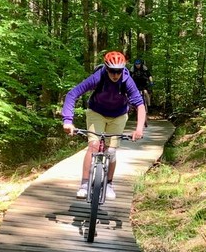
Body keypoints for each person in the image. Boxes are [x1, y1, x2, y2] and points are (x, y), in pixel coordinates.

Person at [61, 51, 146, 200]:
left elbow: (140, 105)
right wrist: (67, 121)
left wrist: (139, 129)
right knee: (93, 145)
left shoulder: (127, 80)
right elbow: (72, 94)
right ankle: (84, 184)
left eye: (118, 71)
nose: (115, 75)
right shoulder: (98, 77)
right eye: (112, 71)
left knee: (111, 151)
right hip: (96, 112)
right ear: (106, 68)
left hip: (118, 115)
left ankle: (108, 184)